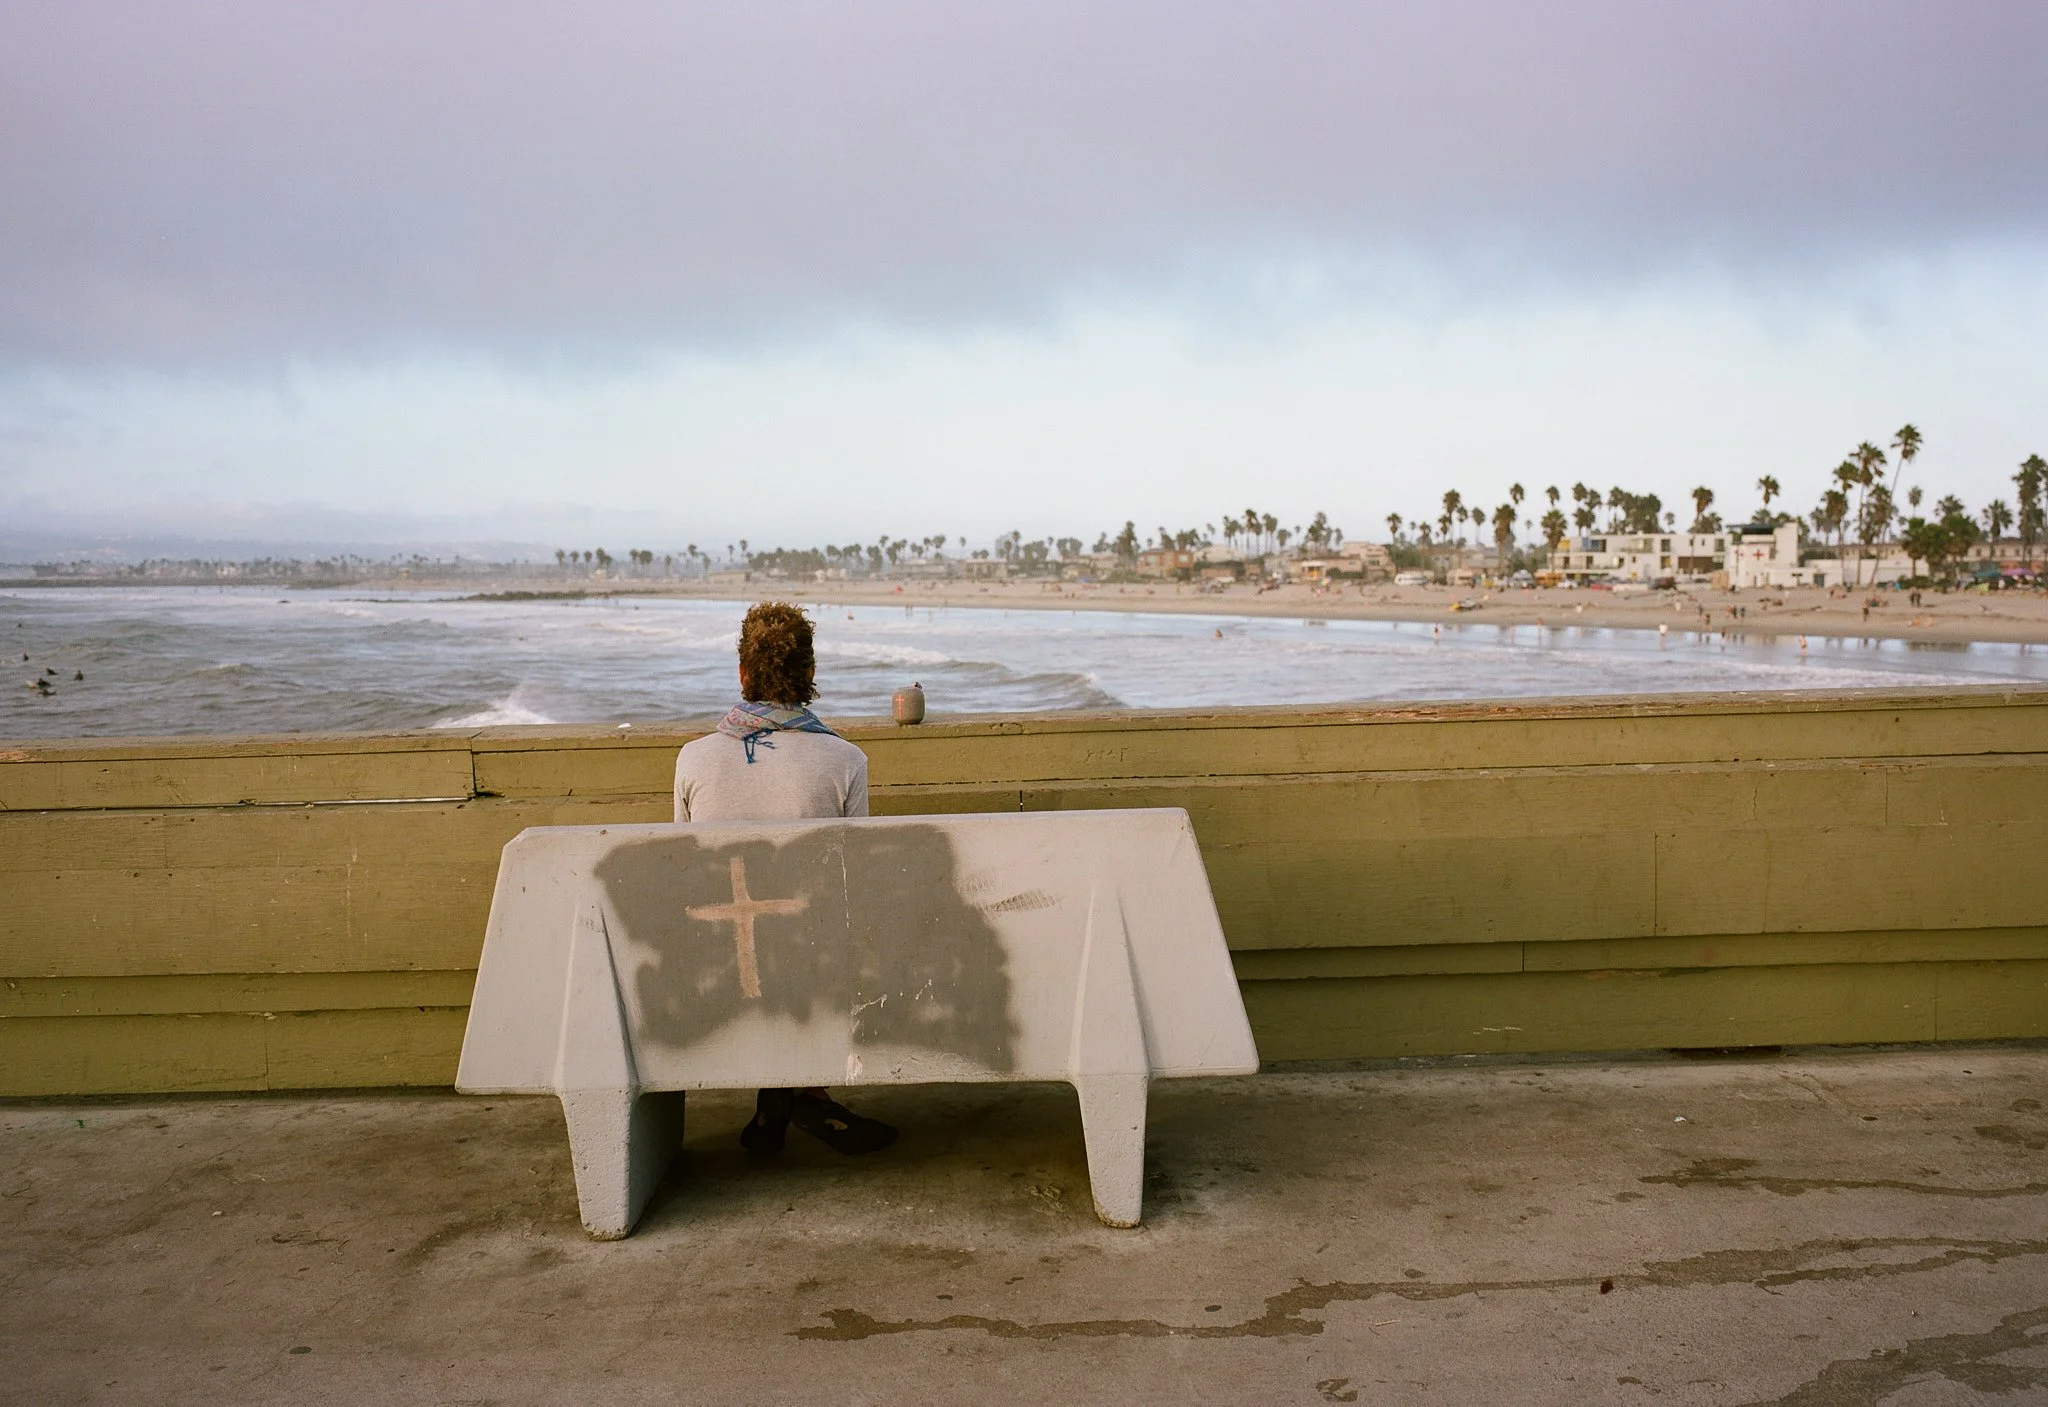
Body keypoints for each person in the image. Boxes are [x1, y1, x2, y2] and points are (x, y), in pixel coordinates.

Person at [672, 601, 898, 1157]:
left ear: (744, 674)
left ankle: (783, 1094)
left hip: (714, 959)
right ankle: (804, 1093)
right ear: (809, 676)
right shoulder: (845, 759)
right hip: (815, 961)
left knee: (766, 939)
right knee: (823, 930)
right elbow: (857, 876)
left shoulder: (693, 760)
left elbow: (680, 869)